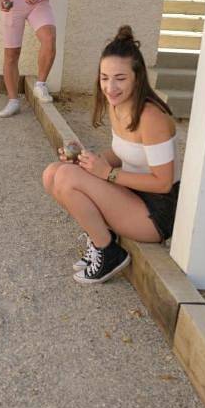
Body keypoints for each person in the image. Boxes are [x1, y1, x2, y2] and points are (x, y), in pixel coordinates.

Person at [42, 26, 181, 285]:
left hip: (156, 213)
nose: (110, 87)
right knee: (53, 173)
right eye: (104, 78)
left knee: (68, 179)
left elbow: (163, 182)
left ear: (137, 78)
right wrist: (85, 160)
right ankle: (100, 240)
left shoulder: (151, 117)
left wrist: (107, 173)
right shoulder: (118, 105)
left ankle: (108, 251)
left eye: (120, 78)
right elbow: (121, 153)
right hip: (131, 195)